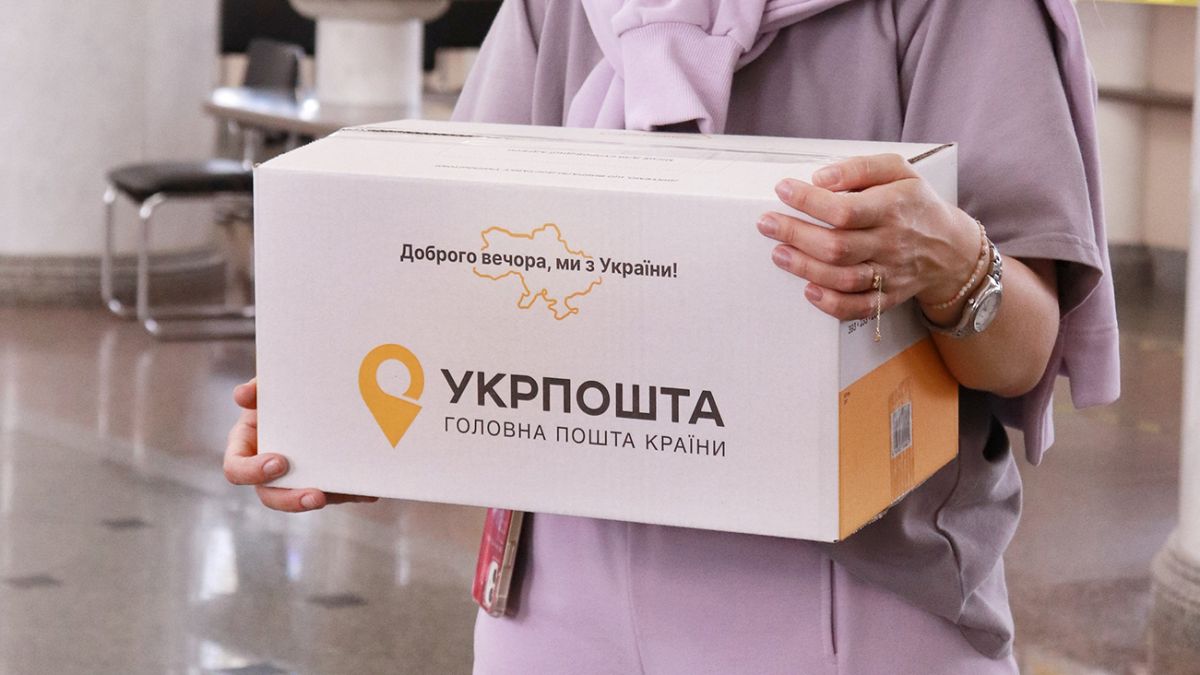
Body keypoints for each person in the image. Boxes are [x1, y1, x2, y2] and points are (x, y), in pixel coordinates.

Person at [224, 0, 1120, 672]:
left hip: (857, 593)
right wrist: (342, 424)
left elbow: (1024, 353)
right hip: (558, 592)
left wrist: (955, 262)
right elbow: (465, 269)